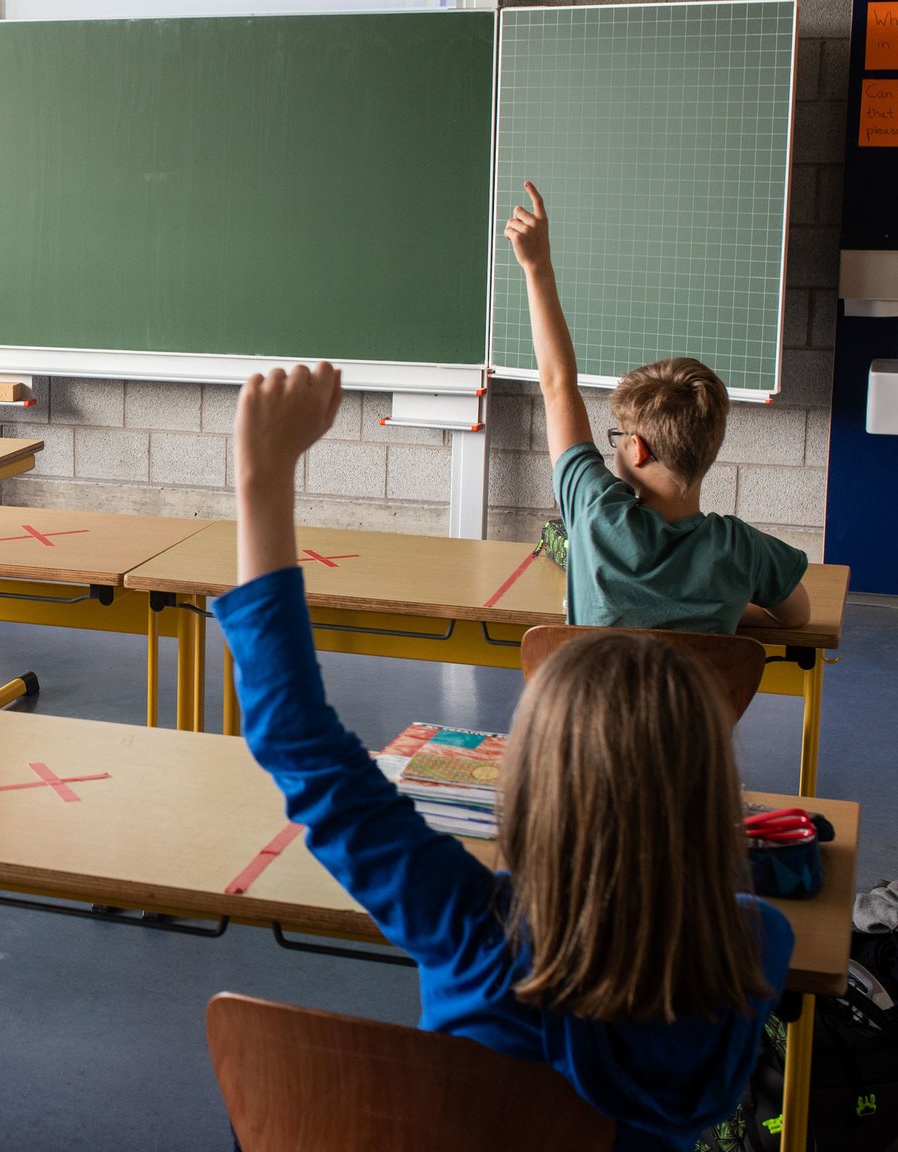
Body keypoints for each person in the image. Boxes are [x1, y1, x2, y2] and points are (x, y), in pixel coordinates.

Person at [218, 361, 790, 1148]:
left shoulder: (469, 925)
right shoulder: (752, 946)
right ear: (713, 791)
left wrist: (262, 478)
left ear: (531, 781)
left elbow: (295, 741)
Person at [505, 180, 810, 633]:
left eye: (619, 437)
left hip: (592, 705)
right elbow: (797, 618)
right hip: (692, 708)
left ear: (640, 450)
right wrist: (721, 604)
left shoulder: (595, 513)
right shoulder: (742, 551)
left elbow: (557, 384)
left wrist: (537, 267)